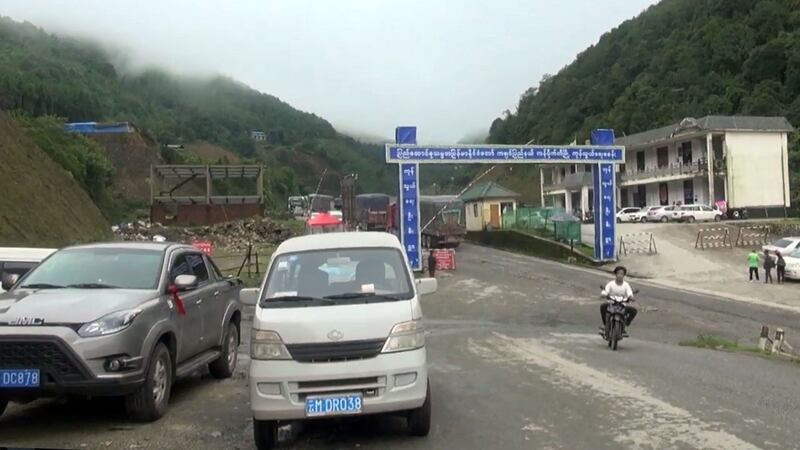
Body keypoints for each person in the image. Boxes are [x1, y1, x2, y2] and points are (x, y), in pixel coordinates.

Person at [600, 266, 637, 335]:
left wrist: (631, 297)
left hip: (622, 305)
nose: (620, 275)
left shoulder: (626, 285)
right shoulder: (611, 284)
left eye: (622, 274)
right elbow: (606, 290)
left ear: (624, 275)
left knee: (633, 310)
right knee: (603, 306)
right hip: (611, 303)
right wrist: (604, 294)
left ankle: (624, 324)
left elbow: (629, 293)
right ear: (615, 274)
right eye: (618, 273)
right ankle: (605, 324)